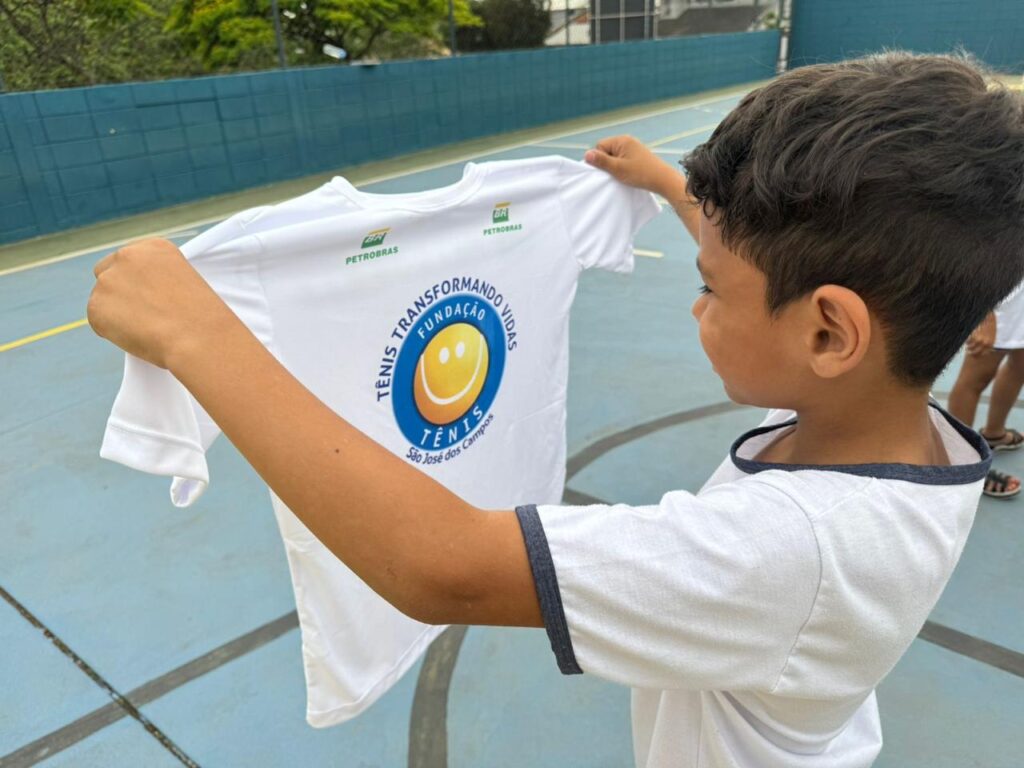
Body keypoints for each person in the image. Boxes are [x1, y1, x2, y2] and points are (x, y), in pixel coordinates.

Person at [86, 52, 1024, 768]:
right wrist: (671, 187)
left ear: (828, 334)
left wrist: (199, 338)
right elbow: (784, 294)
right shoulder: (907, 430)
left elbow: (440, 568)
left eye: (710, 288)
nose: (697, 304)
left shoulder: (784, 553)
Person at [948, 291, 1024, 497]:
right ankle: (961, 465)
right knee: (974, 380)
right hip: (1003, 299)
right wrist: (984, 314)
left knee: (1020, 366)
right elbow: (977, 259)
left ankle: (994, 433)